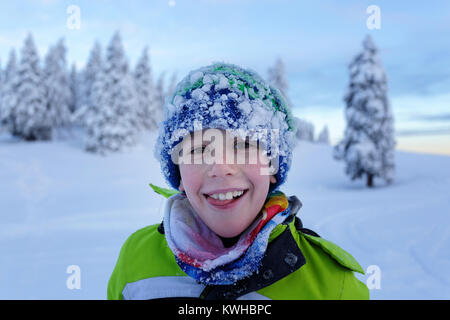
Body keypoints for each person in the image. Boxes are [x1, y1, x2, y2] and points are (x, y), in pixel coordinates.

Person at [107, 63, 369, 300]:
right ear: (180, 177)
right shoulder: (135, 261)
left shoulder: (331, 284)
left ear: (272, 167)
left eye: (242, 145)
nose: (220, 168)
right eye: (199, 150)